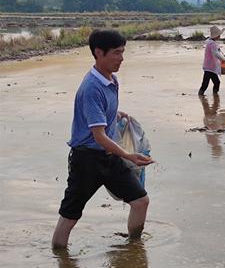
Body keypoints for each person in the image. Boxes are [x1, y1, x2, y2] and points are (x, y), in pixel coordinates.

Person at [52, 30, 154, 249]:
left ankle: (133, 248)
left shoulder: (112, 80)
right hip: (87, 160)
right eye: (117, 53)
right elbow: (98, 135)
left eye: (123, 52)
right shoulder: (91, 88)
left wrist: (117, 115)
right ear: (99, 53)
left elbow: (101, 116)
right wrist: (128, 155)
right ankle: (59, 256)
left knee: (140, 201)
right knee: (70, 216)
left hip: (109, 157)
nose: (122, 58)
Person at [198, 26, 225, 96]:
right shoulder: (213, 44)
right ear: (216, 36)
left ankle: (213, 95)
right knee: (208, 83)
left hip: (209, 66)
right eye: (219, 34)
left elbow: (217, 53)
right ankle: (206, 95)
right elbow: (216, 54)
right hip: (209, 67)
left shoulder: (210, 42)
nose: (220, 36)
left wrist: (224, 59)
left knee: (215, 82)